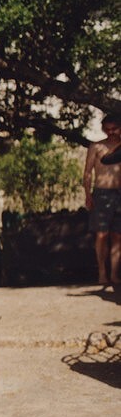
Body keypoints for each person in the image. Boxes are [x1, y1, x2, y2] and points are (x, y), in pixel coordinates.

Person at [83, 114, 121, 288]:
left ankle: (114, 274)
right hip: (102, 193)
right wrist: (88, 195)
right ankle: (102, 273)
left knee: (117, 236)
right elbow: (87, 172)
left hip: (119, 193)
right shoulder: (96, 146)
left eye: (114, 128)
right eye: (108, 129)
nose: (111, 132)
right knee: (101, 235)